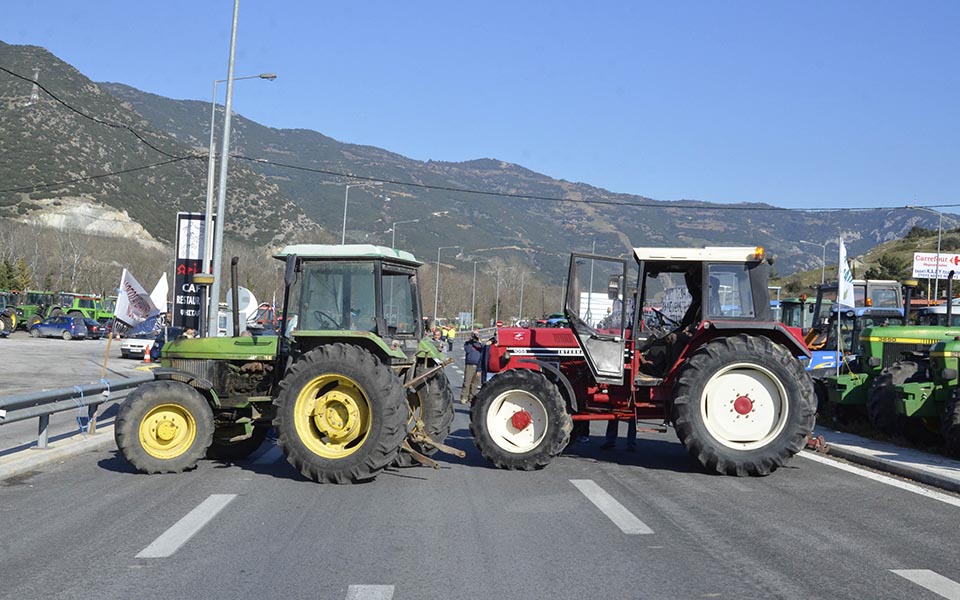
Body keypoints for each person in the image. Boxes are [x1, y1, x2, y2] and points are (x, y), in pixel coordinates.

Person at [461, 330, 484, 405]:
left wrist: (479, 341)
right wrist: (470, 341)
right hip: (469, 365)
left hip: (478, 365)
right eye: (474, 335)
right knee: (467, 382)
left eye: (476, 335)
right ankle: (464, 397)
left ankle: (472, 398)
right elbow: (467, 350)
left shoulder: (481, 344)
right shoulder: (468, 343)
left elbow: (484, 349)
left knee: (475, 383)